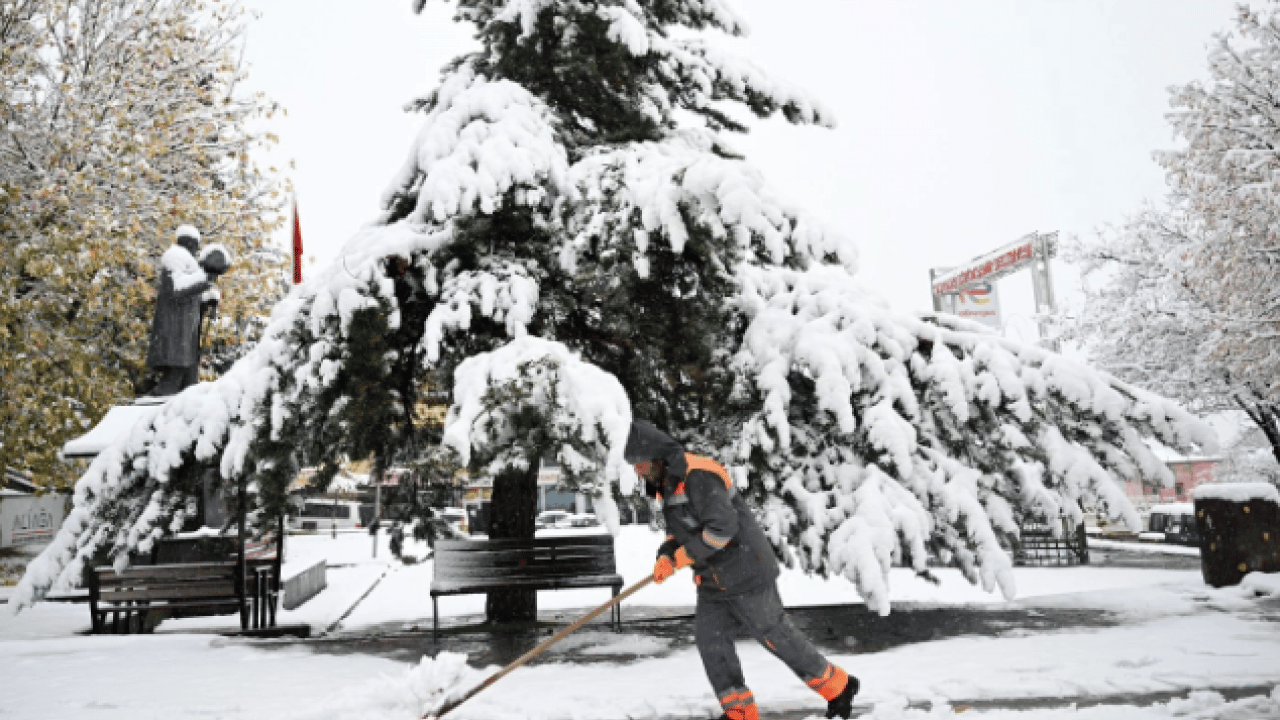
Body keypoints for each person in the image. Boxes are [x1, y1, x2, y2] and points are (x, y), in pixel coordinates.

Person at [623, 419, 859, 720]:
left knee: (777, 637)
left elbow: (722, 529)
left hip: (747, 572)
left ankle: (839, 686)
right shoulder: (667, 485)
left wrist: (682, 557)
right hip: (712, 581)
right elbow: (677, 532)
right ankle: (740, 712)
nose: (637, 471)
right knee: (711, 642)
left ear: (656, 456)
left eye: (639, 463)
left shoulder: (699, 475)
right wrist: (666, 555)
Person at [146, 225, 212, 396]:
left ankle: (180, 386)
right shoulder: (175, 257)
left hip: (186, 326)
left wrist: (207, 300)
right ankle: (170, 384)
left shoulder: (188, 261)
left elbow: (191, 292)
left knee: (187, 376)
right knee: (176, 363)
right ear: (190, 243)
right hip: (175, 324)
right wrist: (206, 279)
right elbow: (178, 288)